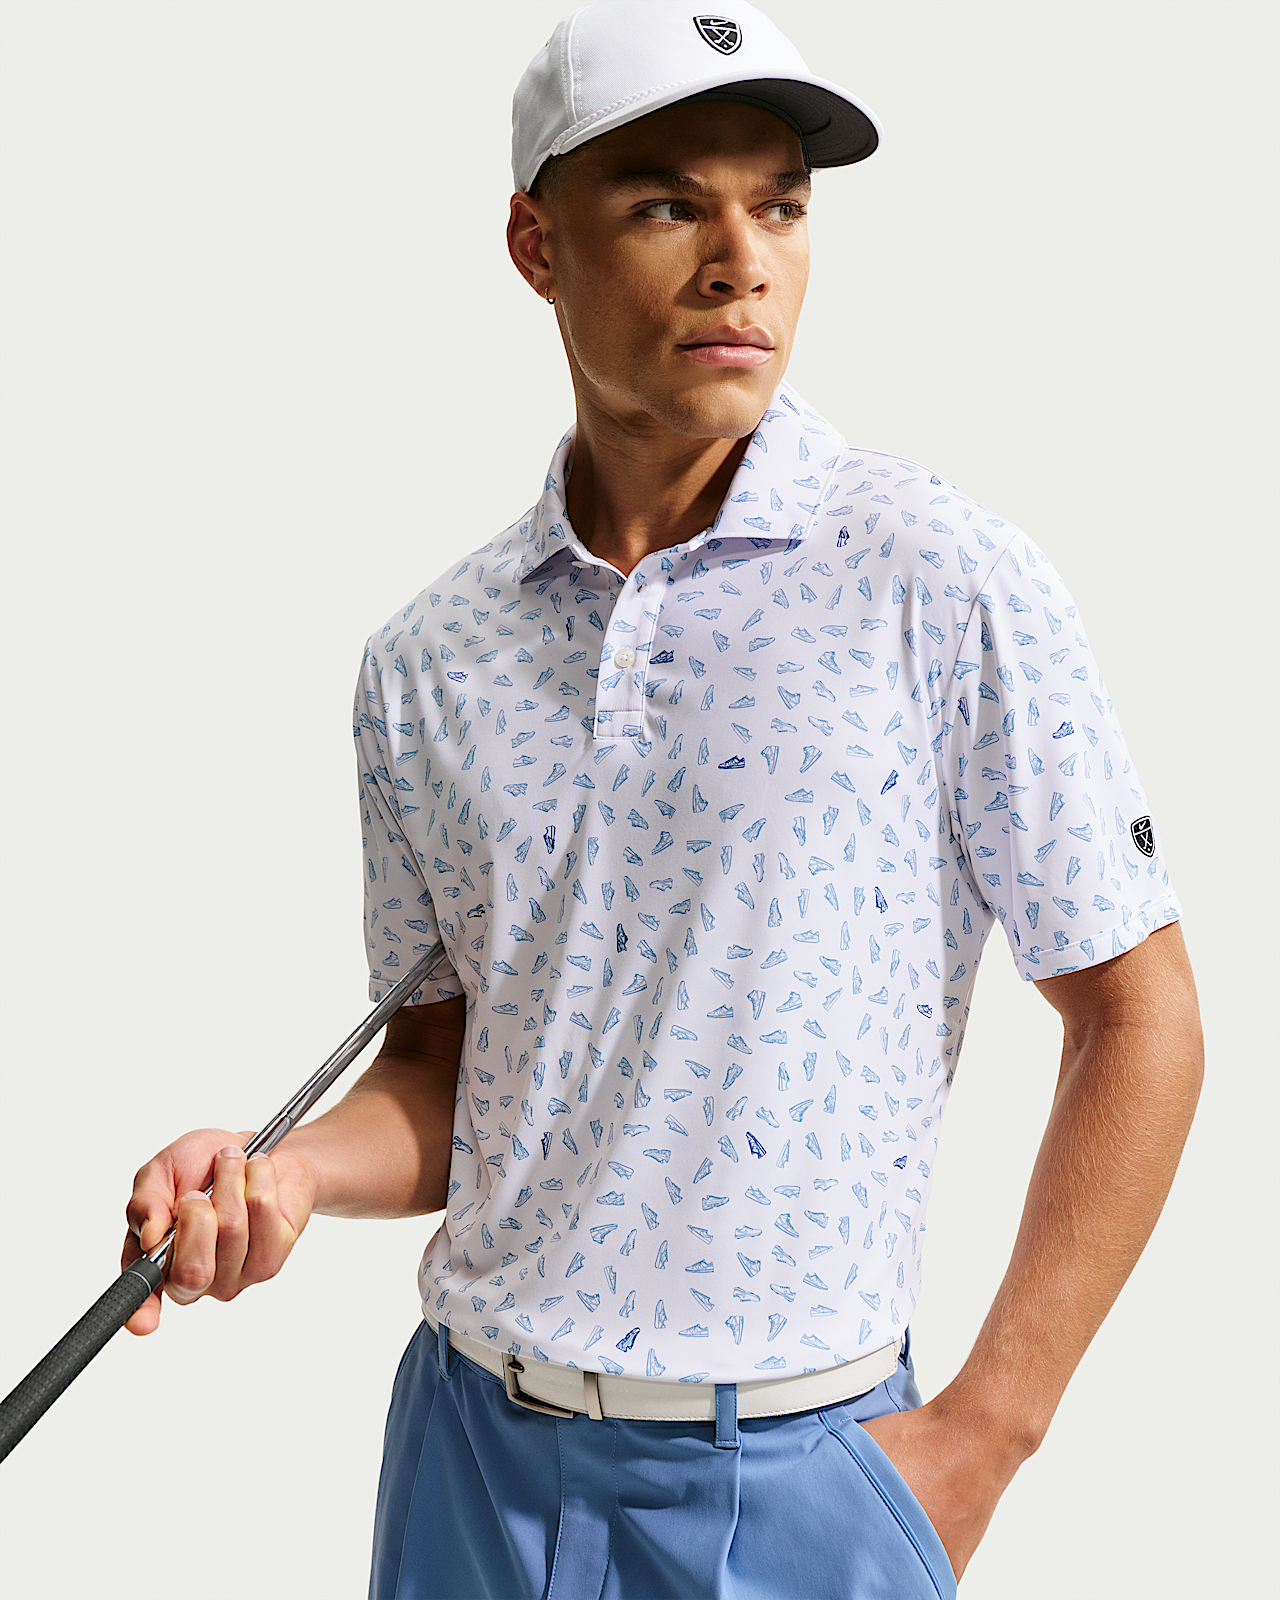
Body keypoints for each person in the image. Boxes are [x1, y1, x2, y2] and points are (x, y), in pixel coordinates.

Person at [121, 3, 1203, 1594]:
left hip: (803, 1483)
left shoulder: (938, 579)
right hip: (468, 1464)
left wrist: (986, 1435)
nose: (740, 262)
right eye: (667, 204)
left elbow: (1141, 1014)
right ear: (535, 243)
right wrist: (283, 1176)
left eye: (781, 205)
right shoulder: (429, 659)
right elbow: (455, 1077)